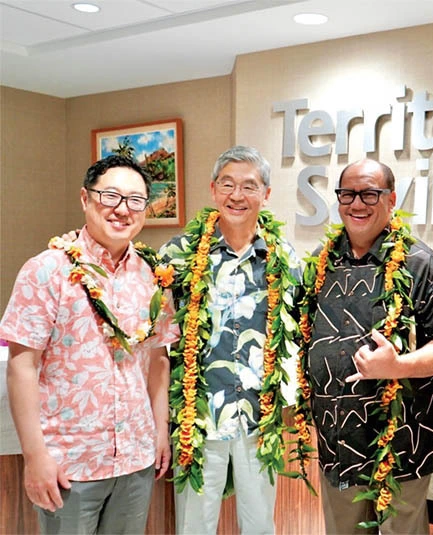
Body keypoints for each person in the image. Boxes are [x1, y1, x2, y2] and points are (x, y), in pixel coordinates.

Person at [0, 155, 179, 534]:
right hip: (68, 463)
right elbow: (21, 366)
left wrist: (159, 431)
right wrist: (34, 456)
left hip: (135, 459)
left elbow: (158, 358)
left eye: (135, 200)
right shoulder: (46, 270)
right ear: (85, 198)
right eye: (110, 196)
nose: (122, 209)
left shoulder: (152, 276)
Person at [299, 158, 433, 533]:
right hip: (338, 442)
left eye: (370, 194)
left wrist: (398, 367)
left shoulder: (420, 263)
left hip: (403, 444)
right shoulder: (321, 264)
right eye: (348, 194)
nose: (357, 204)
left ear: (391, 200)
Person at [159, 146, 300, 534]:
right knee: (194, 526)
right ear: (213, 189)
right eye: (227, 184)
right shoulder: (178, 255)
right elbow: (155, 339)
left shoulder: (284, 258)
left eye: (249, 186)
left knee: (260, 525)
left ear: (266, 194)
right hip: (199, 418)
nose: (237, 195)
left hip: (259, 419)